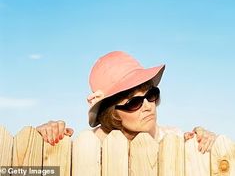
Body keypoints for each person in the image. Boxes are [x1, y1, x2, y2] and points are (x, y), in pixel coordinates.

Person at [36, 51, 217, 153]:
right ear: (113, 113)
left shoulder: (177, 139)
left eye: (151, 94)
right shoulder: (87, 146)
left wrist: (209, 144)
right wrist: (40, 139)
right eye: (133, 102)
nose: (147, 106)